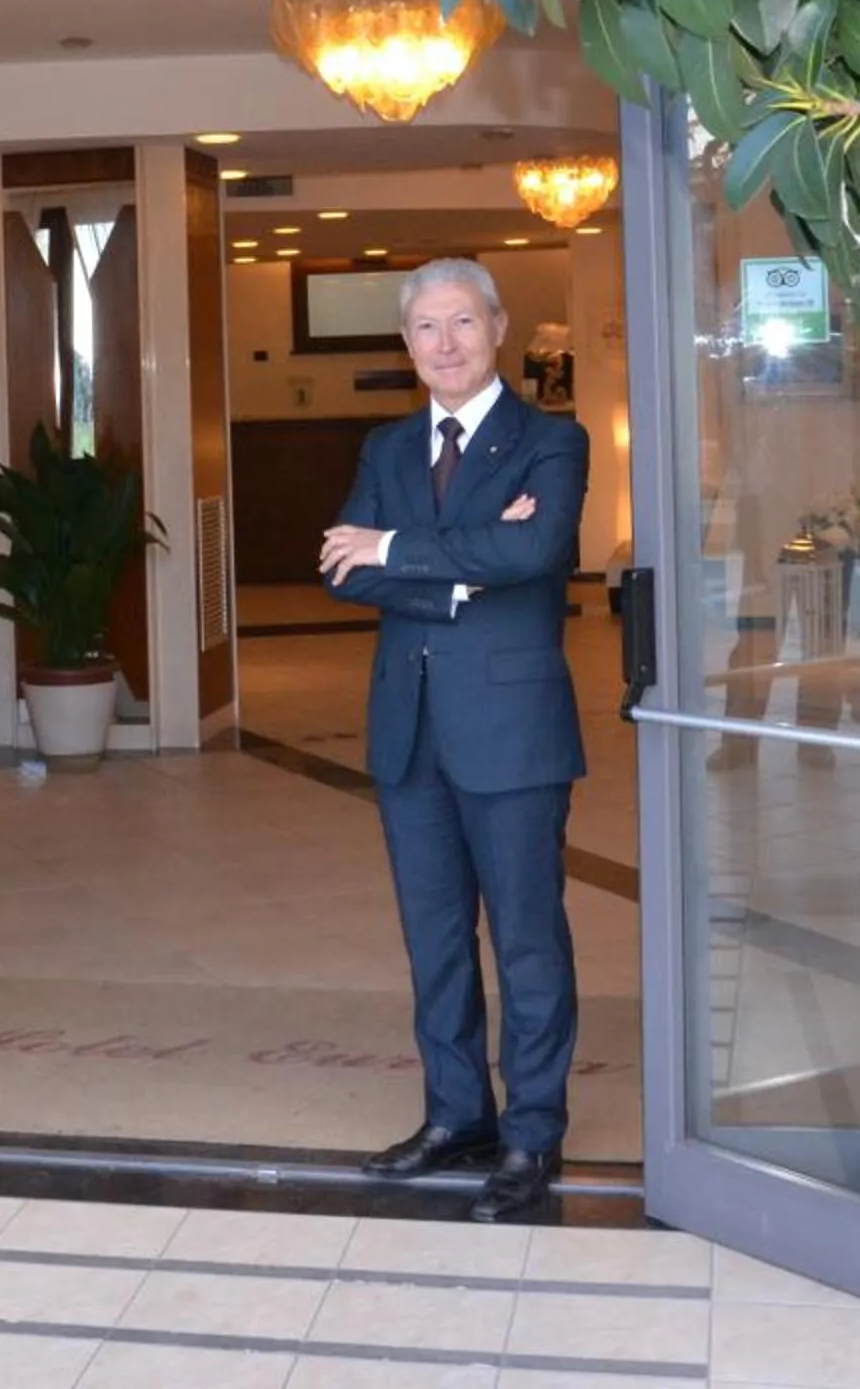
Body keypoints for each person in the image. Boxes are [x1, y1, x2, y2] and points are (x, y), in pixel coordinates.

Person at [319, 258, 591, 1224]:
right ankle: (455, 1115)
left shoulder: (550, 442)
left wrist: (395, 549)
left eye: (462, 324)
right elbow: (340, 573)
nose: (445, 344)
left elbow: (537, 550)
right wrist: (466, 570)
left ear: (498, 327)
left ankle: (531, 1132)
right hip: (409, 732)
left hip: (513, 734)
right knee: (434, 941)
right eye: (426, 329)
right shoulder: (387, 448)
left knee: (525, 940)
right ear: (407, 344)